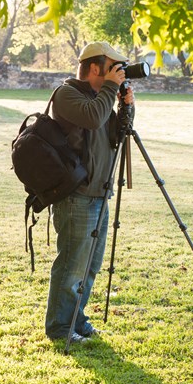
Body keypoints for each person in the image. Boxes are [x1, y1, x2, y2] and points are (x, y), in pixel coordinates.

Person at [44, 41, 135, 342]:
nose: (119, 73)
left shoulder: (102, 99)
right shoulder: (67, 94)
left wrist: (127, 107)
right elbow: (94, 117)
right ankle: (60, 329)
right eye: (113, 67)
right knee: (72, 266)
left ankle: (77, 321)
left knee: (90, 267)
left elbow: (115, 137)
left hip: (99, 193)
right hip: (77, 196)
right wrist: (110, 90)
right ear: (95, 68)